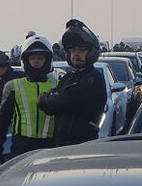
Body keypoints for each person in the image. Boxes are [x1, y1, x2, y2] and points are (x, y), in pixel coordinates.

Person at [38, 19, 107, 147]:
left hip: (84, 147)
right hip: (62, 147)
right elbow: (49, 109)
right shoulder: (68, 78)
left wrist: (45, 97)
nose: (76, 54)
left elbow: (66, 98)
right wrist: (51, 99)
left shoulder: (94, 78)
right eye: (72, 50)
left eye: (82, 50)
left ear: (92, 52)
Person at [0, 35, 59, 166]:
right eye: (32, 58)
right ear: (25, 61)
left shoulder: (58, 84)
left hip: (50, 148)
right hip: (21, 148)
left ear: (48, 60)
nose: (36, 61)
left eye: (40, 58)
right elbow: (2, 121)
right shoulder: (13, 86)